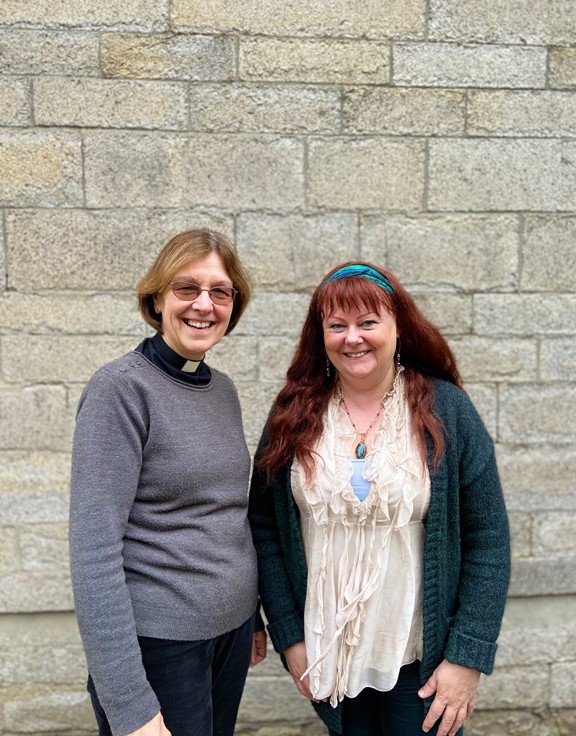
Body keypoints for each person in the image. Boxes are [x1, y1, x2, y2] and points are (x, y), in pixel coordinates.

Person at [248, 263, 510, 736]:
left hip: (421, 660)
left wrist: (466, 657)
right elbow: (263, 528)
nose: (353, 338)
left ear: (398, 328)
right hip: (331, 654)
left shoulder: (447, 410)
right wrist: (290, 637)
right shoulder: (293, 413)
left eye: (368, 322)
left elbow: (488, 538)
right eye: (337, 325)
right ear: (320, 335)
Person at [69, 229, 266, 736]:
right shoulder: (120, 390)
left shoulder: (222, 390)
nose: (204, 304)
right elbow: (94, 553)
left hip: (231, 635)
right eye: (187, 288)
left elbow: (225, 513)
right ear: (157, 298)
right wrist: (129, 701)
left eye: (220, 291)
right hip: (160, 647)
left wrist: (253, 617)